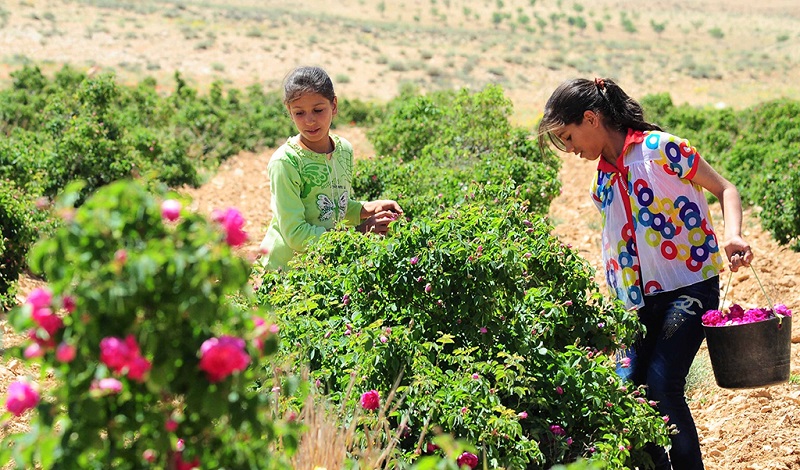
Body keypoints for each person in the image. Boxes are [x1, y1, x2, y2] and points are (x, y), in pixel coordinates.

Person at [537, 77, 753, 470]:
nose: (570, 150)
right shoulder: (601, 179)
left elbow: (726, 189)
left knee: (663, 387)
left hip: (688, 289)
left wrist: (733, 235)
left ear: (591, 118)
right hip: (633, 303)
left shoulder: (662, 150)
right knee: (630, 393)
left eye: (569, 137)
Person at [260, 66, 402, 271]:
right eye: (299, 113)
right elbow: (296, 234)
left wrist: (370, 207)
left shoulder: (343, 150)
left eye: (318, 110)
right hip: (286, 270)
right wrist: (360, 232)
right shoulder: (286, 162)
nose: (309, 120)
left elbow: (333, 208)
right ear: (290, 112)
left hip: (323, 264)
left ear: (334, 105)